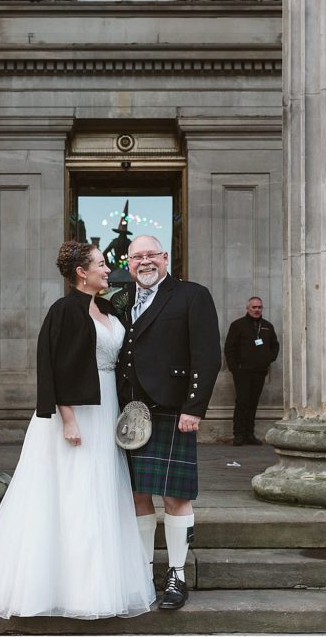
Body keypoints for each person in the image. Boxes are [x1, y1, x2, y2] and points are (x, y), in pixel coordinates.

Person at [0, 241, 155, 619]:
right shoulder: (64, 310)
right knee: (74, 490)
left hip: (106, 407)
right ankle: (68, 586)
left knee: (101, 488)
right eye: (101, 264)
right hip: (77, 413)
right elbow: (54, 366)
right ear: (80, 273)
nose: (108, 269)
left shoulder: (105, 307)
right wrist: (67, 418)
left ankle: (98, 580)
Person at [111, 235, 221, 611]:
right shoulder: (120, 301)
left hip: (172, 409)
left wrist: (195, 407)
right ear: (128, 263)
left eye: (151, 255)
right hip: (128, 412)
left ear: (165, 258)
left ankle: (176, 573)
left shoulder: (192, 295)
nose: (145, 261)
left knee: (175, 497)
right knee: (138, 495)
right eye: (137, 256)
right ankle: (143, 570)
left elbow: (207, 355)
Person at [224, 297, 280, 446]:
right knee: (242, 402)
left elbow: (275, 346)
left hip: (260, 371)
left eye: (259, 307)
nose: (257, 310)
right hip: (242, 372)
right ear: (248, 308)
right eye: (254, 307)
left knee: (253, 403)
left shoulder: (267, 326)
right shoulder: (238, 325)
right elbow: (230, 348)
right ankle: (239, 434)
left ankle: (250, 434)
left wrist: (268, 359)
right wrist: (234, 368)